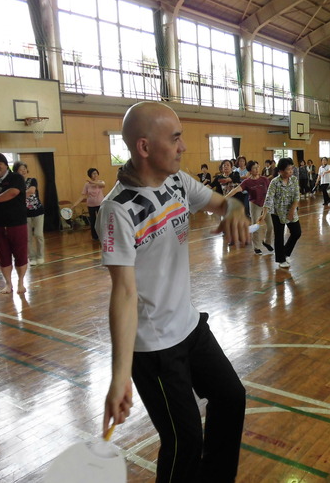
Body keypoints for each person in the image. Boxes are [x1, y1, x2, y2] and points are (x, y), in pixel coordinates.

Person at [99, 101, 248, 483]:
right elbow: (124, 294)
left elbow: (223, 203)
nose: (183, 147)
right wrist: (120, 375)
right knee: (184, 442)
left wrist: (234, 210)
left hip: (189, 326)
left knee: (231, 397)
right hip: (154, 347)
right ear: (144, 147)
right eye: (176, 138)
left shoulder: (177, 182)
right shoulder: (117, 209)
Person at [0, 153, 28, 294]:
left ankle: (21, 282)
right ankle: (8, 284)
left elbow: (13, 192)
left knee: (20, 254)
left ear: (5, 164)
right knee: (3, 256)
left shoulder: (16, 178)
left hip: (17, 223)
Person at [226, 160, 274, 255]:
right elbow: (235, 190)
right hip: (254, 204)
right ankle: (257, 247)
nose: (257, 169)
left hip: (266, 205)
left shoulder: (264, 179)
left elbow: (272, 191)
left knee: (271, 226)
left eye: (257, 167)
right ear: (250, 170)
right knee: (256, 225)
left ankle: (267, 242)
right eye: (254, 168)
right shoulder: (247, 182)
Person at [263, 158, 301, 269]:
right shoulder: (274, 182)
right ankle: (280, 259)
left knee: (296, 232)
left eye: (291, 168)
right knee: (279, 236)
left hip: (291, 211)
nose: (291, 171)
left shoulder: (293, 180)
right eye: (288, 169)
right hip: (277, 213)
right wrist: (264, 213)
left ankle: (285, 252)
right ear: (281, 171)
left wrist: (292, 210)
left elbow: (296, 196)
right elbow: (269, 198)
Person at [14, 161, 45, 266]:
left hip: (38, 211)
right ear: (16, 171)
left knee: (38, 234)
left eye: (24, 168)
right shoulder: (15, 184)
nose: (23, 171)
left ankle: (40, 256)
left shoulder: (32, 180)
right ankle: (32, 257)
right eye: (20, 169)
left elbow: (31, 191)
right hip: (24, 214)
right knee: (28, 237)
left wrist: (18, 196)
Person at [73, 168, 106, 241]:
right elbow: (83, 195)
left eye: (96, 173)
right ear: (90, 175)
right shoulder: (87, 185)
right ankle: (95, 237)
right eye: (93, 173)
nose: (95, 175)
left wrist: (93, 182)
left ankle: (103, 235)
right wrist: (75, 204)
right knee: (93, 220)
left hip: (100, 204)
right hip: (91, 205)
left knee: (101, 220)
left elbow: (103, 184)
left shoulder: (100, 182)